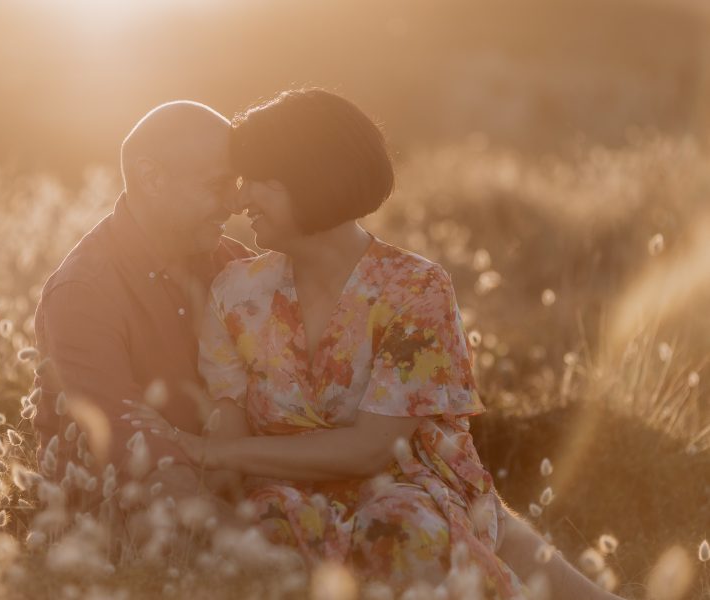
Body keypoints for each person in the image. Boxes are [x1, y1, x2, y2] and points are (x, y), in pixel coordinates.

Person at [126, 88, 623, 598]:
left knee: (401, 526)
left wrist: (212, 452)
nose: (238, 199)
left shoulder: (415, 290)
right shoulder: (235, 292)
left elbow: (369, 450)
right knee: (269, 529)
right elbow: (228, 425)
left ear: (310, 181)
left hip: (406, 493)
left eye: (257, 181)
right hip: (287, 499)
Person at [32, 100, 253, 514]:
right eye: (216, 184)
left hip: (230, 490)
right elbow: (129, 444)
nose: (234, 203)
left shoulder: (236, 264)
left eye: (236, 183)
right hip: (128, 503)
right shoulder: (84, 291)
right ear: (151, 177)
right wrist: (250, 541)